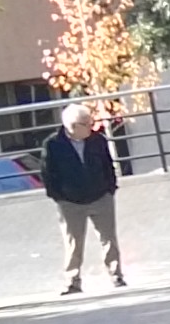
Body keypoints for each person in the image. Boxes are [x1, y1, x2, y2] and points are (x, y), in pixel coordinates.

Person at [42, 103, 125, 291]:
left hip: (101, 197)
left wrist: (110, 188)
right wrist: (58, 196)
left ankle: (116, 275)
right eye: (87, 124)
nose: (91, 127)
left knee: (109, 238)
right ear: (73, 126)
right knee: (73, 242)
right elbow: (48, 173)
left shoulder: (98, 141)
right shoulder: (53, 144)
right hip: (70, 202)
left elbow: (107, 165)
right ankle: (72, 280)